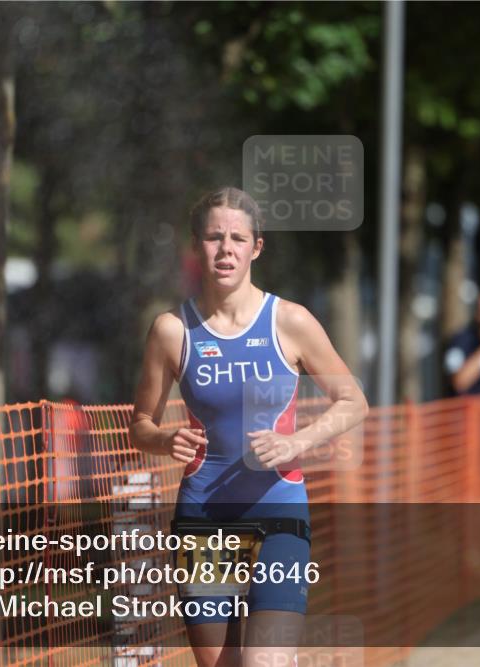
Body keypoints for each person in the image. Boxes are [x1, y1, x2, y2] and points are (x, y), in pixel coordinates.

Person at [128, 187, 368, 667]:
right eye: (215, 237)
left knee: (264, 661)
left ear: (256, 247)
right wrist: (163, 438)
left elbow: (352, 400)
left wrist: (296, 441)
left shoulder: (290, 321)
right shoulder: (172, 331)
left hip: (279, 510)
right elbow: (140, 425)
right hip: (203, 518)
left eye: (238, 238)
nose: (226, 249)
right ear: (197, 244)